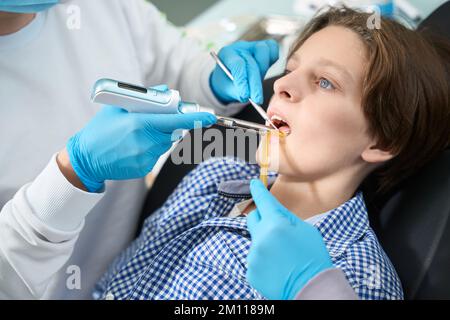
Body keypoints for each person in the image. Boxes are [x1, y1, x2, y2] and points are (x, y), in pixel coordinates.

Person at [92, 7, 450, 300]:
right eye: (291, 69)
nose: (281, 85)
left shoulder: (356, 279)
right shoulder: (211, 178)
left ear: (380, 142)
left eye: (325, 82)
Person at [0, 0, 279, 299]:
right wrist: (72, 174)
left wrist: (211, 81)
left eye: (325, 82)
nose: (287, 85)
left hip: (136, 256)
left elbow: (175, 65)